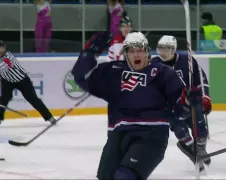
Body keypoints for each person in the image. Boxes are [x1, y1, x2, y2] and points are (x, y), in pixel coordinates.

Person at [71, 32, 202, 179]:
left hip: (151, 136)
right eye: (132, 51)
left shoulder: (162, 72)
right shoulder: (113, 72)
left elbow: (180, 111)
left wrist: (188, 102)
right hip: (117, 136)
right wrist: (90, 52)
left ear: (147, 52)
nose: (136, 55)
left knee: (124, 177)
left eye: (140, 50)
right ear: (125, 54)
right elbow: (81, 76)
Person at [151, 35, 212, 167]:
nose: (163, 52)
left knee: (200, 128)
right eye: (160, 49)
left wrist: (205, 97)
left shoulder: (187, 60)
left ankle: (200, 149)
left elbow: (201, 78)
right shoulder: (154, 64)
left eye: (166, 49)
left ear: (173, 49)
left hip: (190, 101)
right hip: (169, 106)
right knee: (180, 130)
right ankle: (192, 151)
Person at [0, 41, 56, 125]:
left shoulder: (9, 56)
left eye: (1, 47)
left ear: (4, 47)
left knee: (33, 99)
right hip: (7, 81)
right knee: (3, 99)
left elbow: (5, 66)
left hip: (22, 80)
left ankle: (49, 117)